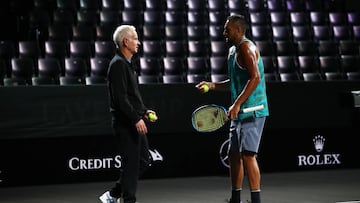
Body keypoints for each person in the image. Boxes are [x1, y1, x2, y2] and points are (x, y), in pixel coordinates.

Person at [196, 14, 269, 203]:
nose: (223, 33)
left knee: (248, 155)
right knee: (233, 154)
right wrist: (212, 85)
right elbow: (236, 82)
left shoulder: (247, 47)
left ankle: (256, 201)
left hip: (253, 110)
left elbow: (255, 78)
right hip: (238, 112)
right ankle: (235, 198)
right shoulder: (232, 52)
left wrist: (236, 104)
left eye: (227, 29)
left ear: (238, 30)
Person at [99, 25, 158, 203]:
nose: (138, 42)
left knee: (143, 161)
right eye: (135, 38)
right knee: (131, 165)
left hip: (133, 121)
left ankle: (113, 194)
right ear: (126, 41)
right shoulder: (117, 65)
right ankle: (128, 199)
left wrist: (144, 112)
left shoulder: (126, 64)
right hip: (125, 124)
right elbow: (120, 99)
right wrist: (136, 118)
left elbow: (130, 96)